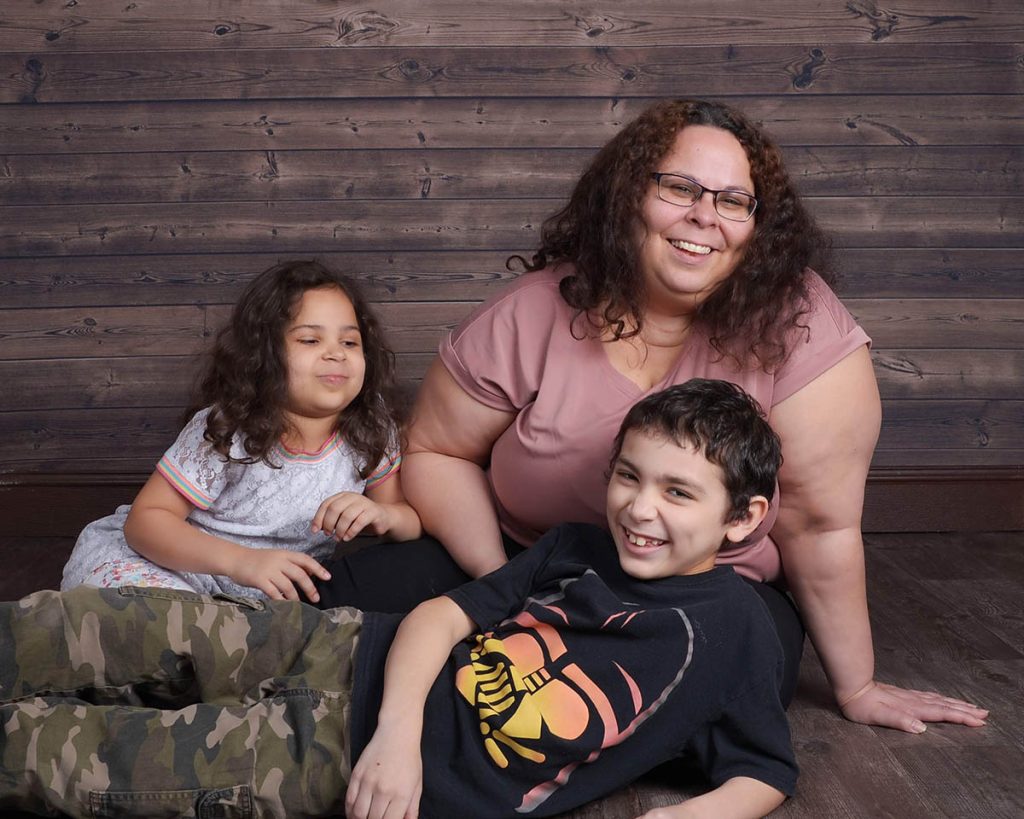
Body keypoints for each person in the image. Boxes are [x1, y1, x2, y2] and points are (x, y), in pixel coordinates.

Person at [318, 98, 988, 732]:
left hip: (704, 591)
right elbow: (436, 450)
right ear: (628, 196)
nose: (705, 215)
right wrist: (504, 586)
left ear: (758, 227)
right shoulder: (535, 310)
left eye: (733, 201)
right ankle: (373, 693)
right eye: (679, 188)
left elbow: (819, 525)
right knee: (341, 595)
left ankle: (439, 700)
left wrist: (857, 686)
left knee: (731, 685)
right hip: (519, 557)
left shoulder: (804, 326)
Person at [1, 380, 800, 819]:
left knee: (92, 759)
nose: (639, 506)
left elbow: (765, 768)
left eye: (678, 492)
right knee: (112, 628)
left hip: (329, 758)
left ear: (742, 516)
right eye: (629, 475)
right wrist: (397, 730)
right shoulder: (573, 547)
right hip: (349, 648)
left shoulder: (734, 632)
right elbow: (443, 614)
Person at [60, 259, 421, 604]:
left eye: (349, 342)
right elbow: (146, 523)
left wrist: (384, 516)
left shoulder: (372, 427)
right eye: (310, 340)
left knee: (239, 641)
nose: (336, 354)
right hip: (167, 566)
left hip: (262, 596)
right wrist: (240, 562)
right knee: (151, 616)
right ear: (263, 356)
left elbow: (408, 520)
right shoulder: (229, 426)